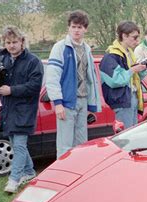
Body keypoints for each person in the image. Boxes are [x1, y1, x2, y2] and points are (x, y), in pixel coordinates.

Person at [0, 26, 43, 193]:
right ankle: (29, 171)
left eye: (15, 42)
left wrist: (12, 90)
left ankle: (14, 179)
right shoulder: (3, 58)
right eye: (8, 42)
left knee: (18, 145)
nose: (11, 46)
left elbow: (34, 87)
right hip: (8, 109)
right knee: (15, 143)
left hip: (24, 110)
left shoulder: (33, 61)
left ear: (22, 42)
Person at [46, 10, 101, 159]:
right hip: (67, 102)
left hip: (83, 100)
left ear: (85, 29)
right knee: (65, 145)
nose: (77, 30)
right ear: (69, 28)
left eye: (80, 27)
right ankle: (63, 177)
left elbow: (91, 79)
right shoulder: (60, 48)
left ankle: (79, 177)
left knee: (82, 144)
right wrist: (57, 103)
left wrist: (92, 104)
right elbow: (52, 77)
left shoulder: (87, 49)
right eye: (74, 27)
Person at [100, 21, 146, 129]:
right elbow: (115, 80)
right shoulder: (111, 56)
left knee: (133, 136)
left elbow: (137, 78)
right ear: (124, 36)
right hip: (122, 102)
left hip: (132, 98)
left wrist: (142, 69)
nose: (137, 41)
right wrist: (133, 70)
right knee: (125, 138)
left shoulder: (129, 53)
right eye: (134, 38)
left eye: (138, 38)